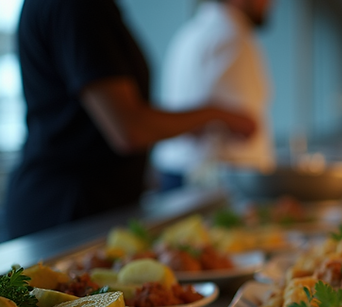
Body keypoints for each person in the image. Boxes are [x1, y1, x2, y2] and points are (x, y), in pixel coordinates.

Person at [4, 0, 255, 240]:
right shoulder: (77, 5)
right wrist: (217, 114)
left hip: (83, 203)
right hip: (66, 208)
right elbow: (129, 129)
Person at [154, 0, 275, 191]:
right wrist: (241, 123)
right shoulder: (229, 35)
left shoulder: (194, 31)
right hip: (206, 180)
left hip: (184, 171)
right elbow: (194, 117)